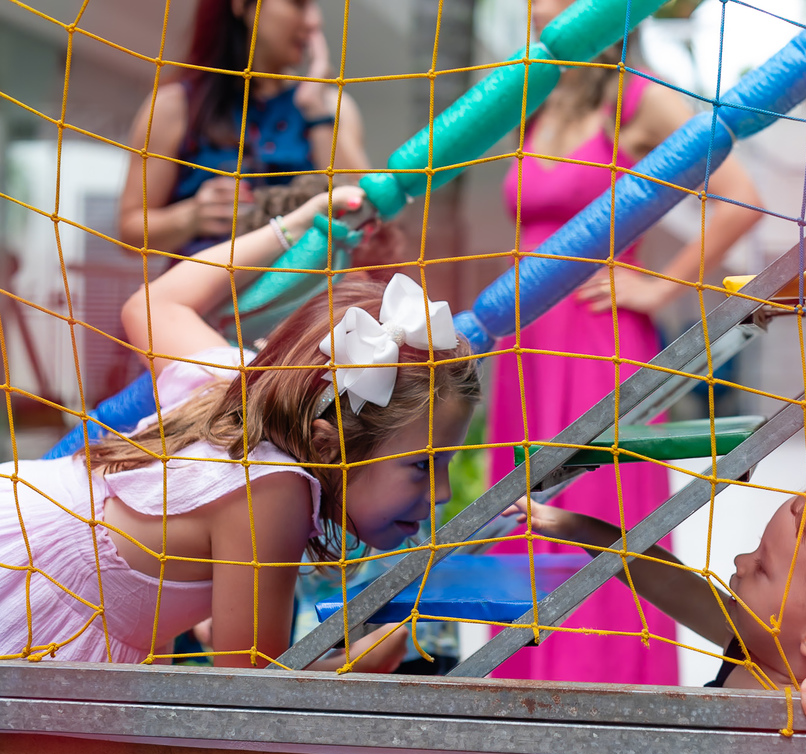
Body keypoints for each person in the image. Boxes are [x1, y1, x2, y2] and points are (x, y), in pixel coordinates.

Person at [0, 185, 480, 671]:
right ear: (328, 446)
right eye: (422, 465)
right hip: (29, 595)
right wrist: (364, 661)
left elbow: (155, 304)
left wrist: (297, 225)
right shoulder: (272, 491)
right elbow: (249, 692)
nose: (440, 492)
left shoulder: (240, 384)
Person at [486, 0, 763, 685]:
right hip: (529, 354)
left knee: (598, 517)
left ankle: (605, 705)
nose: (539, 6)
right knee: (521, 521)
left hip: (597, 347)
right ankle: (524, 697)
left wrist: (659, 286)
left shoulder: (641, 99)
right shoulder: (534, 102)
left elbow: (741, 196)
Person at [505, 464, 806, 735]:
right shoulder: (756, 645)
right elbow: (668, 583)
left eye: (762, 566)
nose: (740, 561)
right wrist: (579, 528)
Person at [117, 0, 369, 256]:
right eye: (298, 3)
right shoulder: (175, 106)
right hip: (204, 289)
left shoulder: (329, 107)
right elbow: (129, 234)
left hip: (308, 292)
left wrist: (316, 113)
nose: (315, 21)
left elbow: (366, 216)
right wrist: (190, 217)